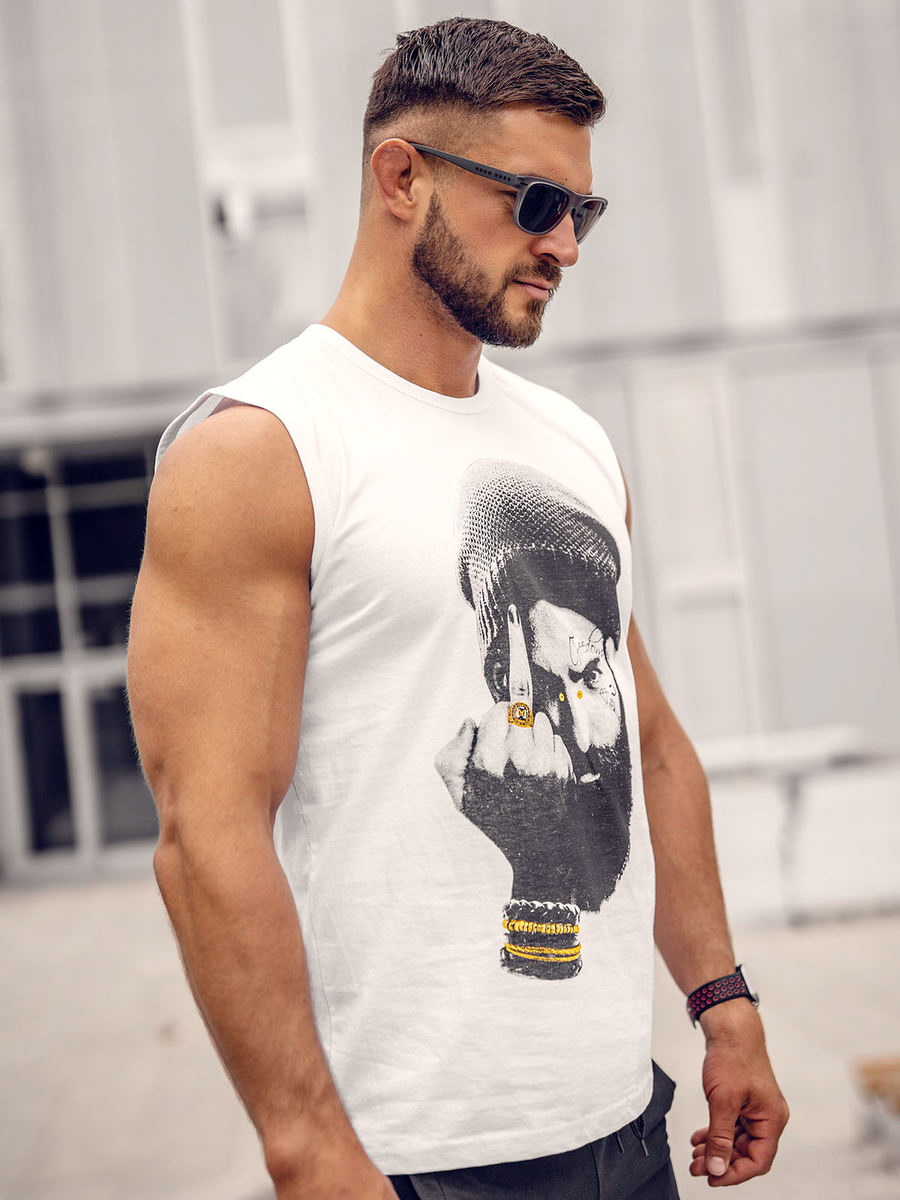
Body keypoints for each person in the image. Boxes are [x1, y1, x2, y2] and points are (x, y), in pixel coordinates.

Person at [126, 16, 789, 1200]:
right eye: (536, 202)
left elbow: (652, 744)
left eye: (583, 212)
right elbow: (206, 831)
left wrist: (722, 1001)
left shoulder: (571, 444)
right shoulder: (262, 450)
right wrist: (306, 1147)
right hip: (414, 1157)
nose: (565, 245)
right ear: (403, 179)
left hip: (624, 1127)